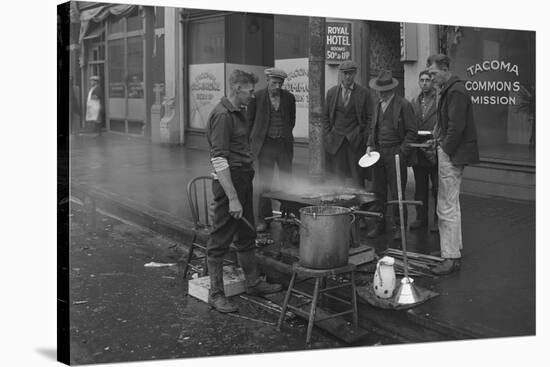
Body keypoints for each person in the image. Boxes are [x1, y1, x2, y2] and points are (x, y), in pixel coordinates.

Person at [206, 69, 282, 313]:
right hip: (230, 183)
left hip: (242, 180)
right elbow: (219, 160)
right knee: (219, 240)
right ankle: (215, 293)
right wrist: (232, 198)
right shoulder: (223, 116)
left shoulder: (239, 112)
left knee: (246, 234)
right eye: (249, 91)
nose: (252, 95)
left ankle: (252, 283)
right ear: (238, 89)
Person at [426, 54, 479, 275]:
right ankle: (453, 248)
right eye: (429, 73)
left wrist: (444, 149)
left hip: (452, 155)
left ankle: (450, 257)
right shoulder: (451, 89)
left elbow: (456, 127)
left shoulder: (455, 91)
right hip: (453, 152)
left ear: (445, 69)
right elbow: (447, 123)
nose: (431, 77)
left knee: (445, 206)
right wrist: (437, 138)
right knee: (452, 204)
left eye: (433, 73)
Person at [365, 70, 417, 241]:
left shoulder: (403, 104)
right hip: (378, 152)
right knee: (378, 191)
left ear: (391, 90)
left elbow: (411, 132)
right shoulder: (378, 104)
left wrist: (402, 152)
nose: (380, 93)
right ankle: (379, 224)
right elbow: (374, 127)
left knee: (397, 192)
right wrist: (370, 145)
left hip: (395, 152)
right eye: (379, 90)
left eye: (383, 90)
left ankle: (398, 226)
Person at [248, 68, 296, 232]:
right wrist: (250, 146)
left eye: (280, 83)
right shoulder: (257, 97)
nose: (277, 86)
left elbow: (291, 121)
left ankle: (287, 216)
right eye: (274, 83)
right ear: (267, 81)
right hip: (264, 146)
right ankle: (263, 219)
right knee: (264, 184)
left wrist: (283, 135)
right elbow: (249, 122)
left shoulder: (289, 98)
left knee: (287, 183)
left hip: (283, 146)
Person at [323, 60, 372, 188]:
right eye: (345, 73)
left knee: (357, 177)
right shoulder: (332, 92)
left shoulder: (364, 93)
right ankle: (340, 205)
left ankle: (359, 205)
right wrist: (328, 135)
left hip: (355, 141)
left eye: (350, 73)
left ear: (355, 73)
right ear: (341, 74)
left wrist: (363, 136)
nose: (347, 76)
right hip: (336, 141)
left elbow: (370, 118)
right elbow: (325, 117)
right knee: (338, 178)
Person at [410, 70, 439, 232]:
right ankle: (421, 218)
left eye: (428, 80)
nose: (425, 83)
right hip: (418, 149)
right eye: (422, 80)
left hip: (434, 148)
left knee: (437, 188)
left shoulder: (439, 100)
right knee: (420, 187)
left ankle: (437, 220)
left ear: (432, 82)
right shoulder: (415, 100)